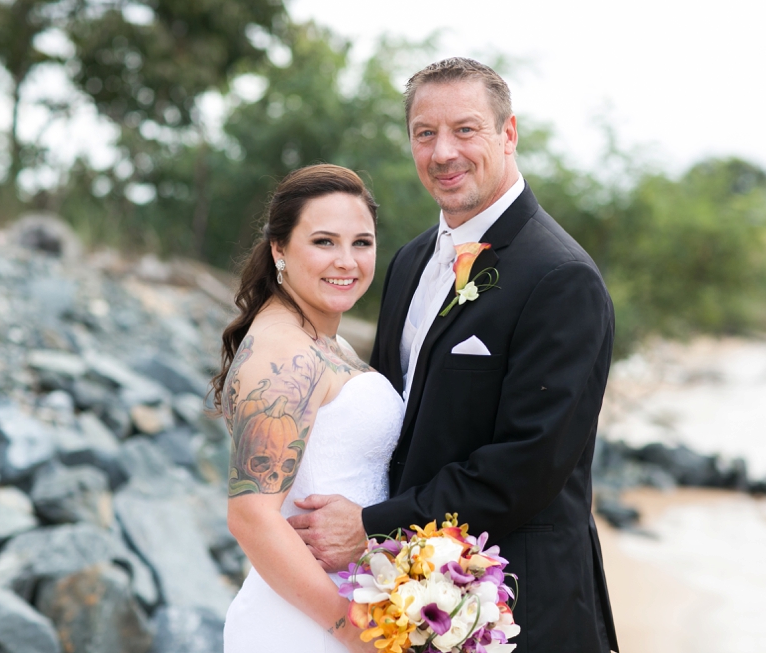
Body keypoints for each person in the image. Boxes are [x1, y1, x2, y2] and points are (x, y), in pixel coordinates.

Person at [289, 58, 619, 653]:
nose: (443, 152)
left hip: (519, 606)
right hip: (409, 600)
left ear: (508, 134)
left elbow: (525, 468)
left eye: (465, 130)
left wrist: (369, 526)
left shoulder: (562, 279)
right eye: (425, 133)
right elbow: (395, 416)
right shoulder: (411, 262)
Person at [214, 164, 403, 653]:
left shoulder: (324, 340)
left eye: (361, 243)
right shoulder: (285, 351)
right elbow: (251, 517)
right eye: (324, 242)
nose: (347, 261)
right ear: (279, 249)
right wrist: (351, 630)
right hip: (304, 626)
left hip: (345, 610)